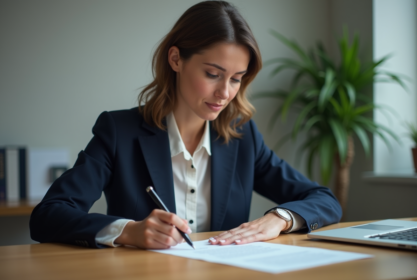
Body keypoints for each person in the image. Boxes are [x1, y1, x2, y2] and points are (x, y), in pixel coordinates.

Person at [30, 1, 342, 249]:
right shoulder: (118, 131)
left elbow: (324, 199)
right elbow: (47, 216)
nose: (225, 93)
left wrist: (280, 218)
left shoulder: (242, 136)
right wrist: (128, 231)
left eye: (236, 79)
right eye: (212, 74)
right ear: (176, 59)